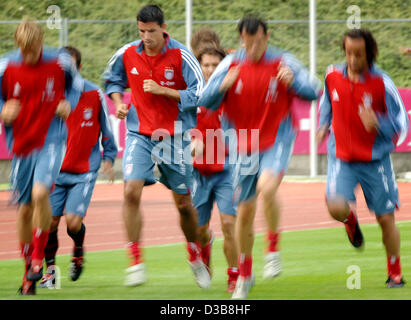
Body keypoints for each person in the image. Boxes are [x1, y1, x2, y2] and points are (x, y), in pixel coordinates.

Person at [199, 15, 320, 299]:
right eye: (246, 41)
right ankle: (245, 273)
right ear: (241, 39)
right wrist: (223, 86)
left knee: (267, 187)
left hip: (276, 138)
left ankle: (273, 249)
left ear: (266, 37)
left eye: (257, 41)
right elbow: (205, 100)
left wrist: (294, 84)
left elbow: (314, 89)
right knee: (244, 212)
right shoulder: (231, 63)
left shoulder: (284, 61)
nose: (251, 47)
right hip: (243, 144)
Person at [103, 4, 210, 289]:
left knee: (184, 205)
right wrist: (118, 104)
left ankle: (194, 253)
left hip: (175, 136)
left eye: (151, 31)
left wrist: (164, 91)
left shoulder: (181, 55)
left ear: (163, 28)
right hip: (139, 134)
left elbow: (201, 92)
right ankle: (136, 261)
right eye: (142, 31)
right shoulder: (127, 52)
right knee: (130, 191)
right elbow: (112, 80)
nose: (146, 37)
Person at [317, 28, 409, 288]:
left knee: (385, 219)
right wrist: (323, 124)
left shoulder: (382, 82)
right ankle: (350, 221)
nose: (353, 60)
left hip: (375, 161)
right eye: (348, 53)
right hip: (342, 157)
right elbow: (327, 103)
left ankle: (395, 272)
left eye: (358, 54)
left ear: (369, 53)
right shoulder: (332, 74)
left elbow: (402, 123)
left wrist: (378, 122)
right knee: (335, 206)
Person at [0, 19, 81, 295]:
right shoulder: (6, 65)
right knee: (23, 210)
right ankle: (27, 272)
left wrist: (68, 100)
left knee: (40, 193)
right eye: (24, 50)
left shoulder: (60, 61)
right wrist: (3, 109)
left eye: (33, 49)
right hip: (22, 143)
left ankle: (38, 258)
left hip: (51, 139)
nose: (29, 55)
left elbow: (76, 85)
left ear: (42, 42)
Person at [38, 46, 118, 288]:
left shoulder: (94, 94)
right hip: (54, 171)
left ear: (79, 69)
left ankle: (78, 251)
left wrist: (109, 157)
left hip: (84, 171)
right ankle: (50, 273)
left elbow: (106, 129)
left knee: (72, 222)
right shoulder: (47, 94)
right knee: (49, 223)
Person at [190, 36, 239, 292]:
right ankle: (205, 244)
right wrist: (191, 143)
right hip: (198, 172)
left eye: (214, 65)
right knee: (198, 229)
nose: (210, 70)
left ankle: (234, 275)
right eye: (205, 65)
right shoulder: (192, 93)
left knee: (230, 224)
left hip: (228, 169)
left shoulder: (232, 93)